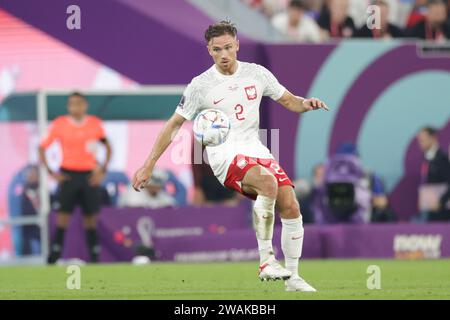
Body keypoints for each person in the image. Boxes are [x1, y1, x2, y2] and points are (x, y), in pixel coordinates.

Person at [132, 20, 329, 292]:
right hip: (225, 155)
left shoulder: (257, 74)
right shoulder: (200, 85)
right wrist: (148, 164)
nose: (223, 55)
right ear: (209, 50)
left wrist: (306, 104)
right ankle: (266, 261)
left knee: (291, 205)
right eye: (216, 50)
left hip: (256, 149)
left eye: (227, 47)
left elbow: (289, 100)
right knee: (268, 183)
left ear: (237, 45)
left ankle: (293, 278)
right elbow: (174, 124)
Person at [39, 92, 112, 264]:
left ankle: (94, 256)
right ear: (68, 106)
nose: (76, 107)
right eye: (72, 104)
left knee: (90, 218)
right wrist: (51, 172)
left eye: (79, 103)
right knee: (63, 217)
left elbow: (108, 147)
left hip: (89, 176)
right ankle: (54, 256)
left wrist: (102, 171)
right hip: (68, 175)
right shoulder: (60, 124)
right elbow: (42, 147)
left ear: (85, 105)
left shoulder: (94, 124)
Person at [416, 126, 450, 221]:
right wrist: (422, 198)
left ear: (433, 138)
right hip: (429, 207)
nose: (420, 144)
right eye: (419, 140)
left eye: (422, 140)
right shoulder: (426, 158)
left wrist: (440, 202)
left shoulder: (442, 158)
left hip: (442, 211)